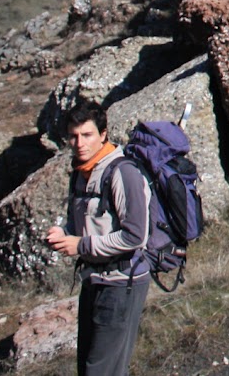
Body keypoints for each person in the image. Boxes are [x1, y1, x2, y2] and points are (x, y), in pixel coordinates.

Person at [46, 100, 152, 376]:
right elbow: (86, 223)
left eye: (87, 135)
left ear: (103, 134)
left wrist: (80, 245)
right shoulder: (81, 173)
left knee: (100, 371)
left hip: (122, 283)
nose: (79, 143)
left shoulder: (122, 172)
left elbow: (135, 236)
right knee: (92, 368)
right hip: (94, 280)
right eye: (73, 136)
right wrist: (65, 234)